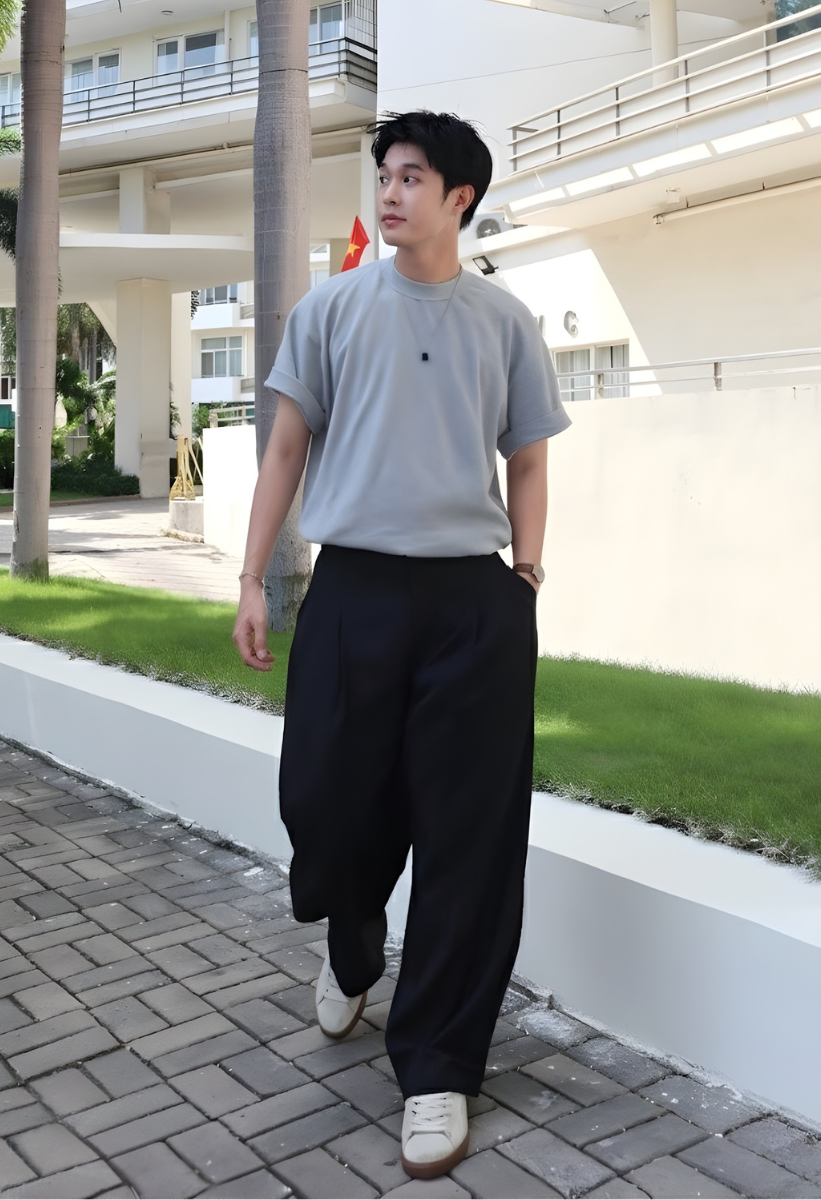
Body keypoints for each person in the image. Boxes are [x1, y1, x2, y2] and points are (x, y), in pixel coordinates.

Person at [232, 110, 570, 1180]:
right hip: (355, 592)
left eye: (412, 177)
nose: (389, 191)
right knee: (329, 800)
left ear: (458, 198)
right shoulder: (329, 310)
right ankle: (351, 946)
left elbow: (528, 456)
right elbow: (286, 449)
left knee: (470, 840)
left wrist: (526, 576)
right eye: (384, 174)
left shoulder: (506, 322)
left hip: (473, 600)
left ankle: (438, 1067)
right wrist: (251, 578)